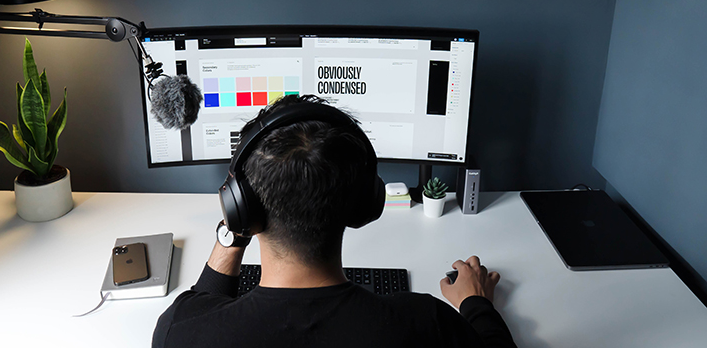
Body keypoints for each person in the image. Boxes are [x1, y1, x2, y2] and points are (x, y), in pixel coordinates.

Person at [152, 95, 517, 347]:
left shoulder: (181, 331)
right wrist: (476, 302)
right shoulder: (424, 324)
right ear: (365, 205)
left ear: (240, 207)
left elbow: (202, 303)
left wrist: (233, 231)